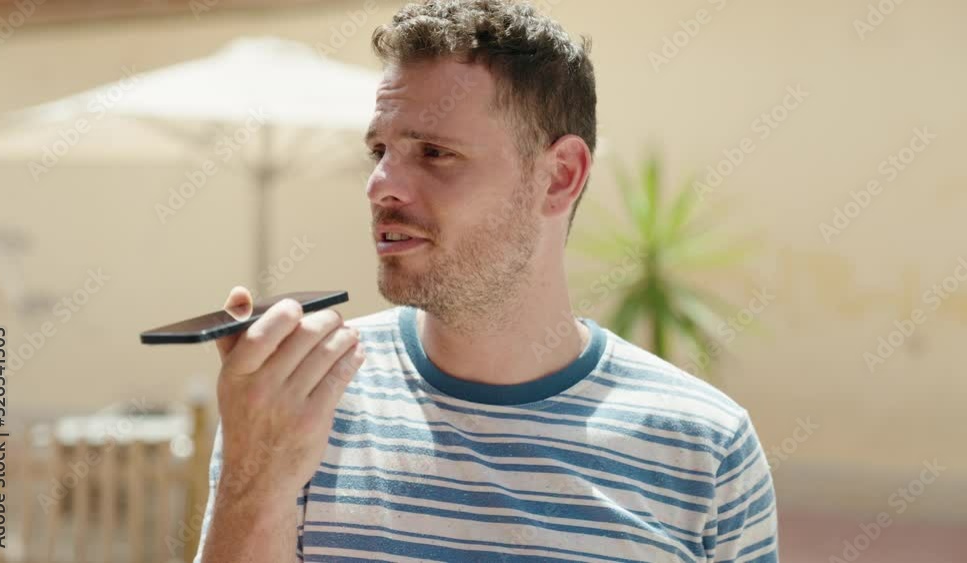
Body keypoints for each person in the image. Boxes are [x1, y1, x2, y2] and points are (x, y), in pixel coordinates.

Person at [194, 1, 778, 561]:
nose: (380, 185)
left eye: (434, 152)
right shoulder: (296, 400)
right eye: (379, 150)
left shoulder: (704, 448)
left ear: (559, 176)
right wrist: (254, 486)